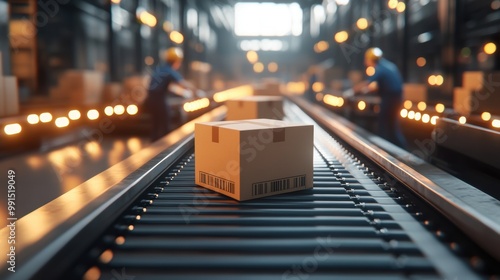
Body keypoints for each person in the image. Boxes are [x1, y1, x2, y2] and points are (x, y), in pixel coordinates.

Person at [353, 47, 407, 148]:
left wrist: (354, 90)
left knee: (383, 124)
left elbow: (368, 84)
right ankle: (400, 148)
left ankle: (382, 148)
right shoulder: (389, 65)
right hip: (398, 98)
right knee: (392, 125)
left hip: (390, 98)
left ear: (370, 59)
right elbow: (382, 84)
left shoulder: (380, 68)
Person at [144, 47, 197, 142]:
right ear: (176, 62)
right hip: (159, 99)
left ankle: (154, 144)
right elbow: (182, 83)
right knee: (165, 123)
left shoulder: (161, 69)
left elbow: (167, 86)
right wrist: (196, 91)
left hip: (150, 99)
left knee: (156, 123)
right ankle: (165, 146)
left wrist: (181, 92)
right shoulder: (170, 71)